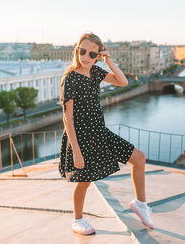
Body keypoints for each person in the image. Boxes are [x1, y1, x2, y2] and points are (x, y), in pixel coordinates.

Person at [58, 32, 154, 235]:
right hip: (81, 138)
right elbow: (68, 118)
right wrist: (76, 150)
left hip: (100, 133)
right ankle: (77, 220)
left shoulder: (95, 71)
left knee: (139, 158)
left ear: (97, 56)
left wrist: (108, 60)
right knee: (84, 181)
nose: (85, 57)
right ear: (77, 50)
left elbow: (123, 82)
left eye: (92, 54)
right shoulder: (70, 78)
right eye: (82, 51)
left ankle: (140, 204)